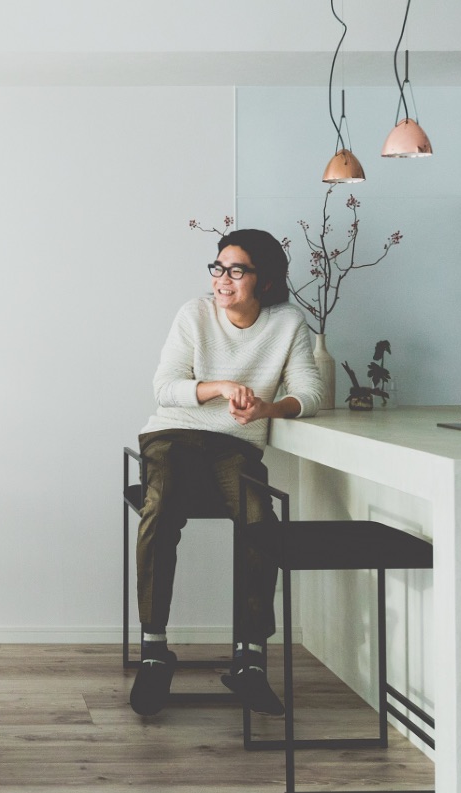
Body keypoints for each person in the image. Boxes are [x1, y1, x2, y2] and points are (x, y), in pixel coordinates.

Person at [132, 230, 325, 717]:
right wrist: (220, 387)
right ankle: (154, 653)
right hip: (173, 435)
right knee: (161, 506)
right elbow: (164, 388)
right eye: (218, 268)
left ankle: (250, 661)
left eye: (236, 270)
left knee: (260, 520)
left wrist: (268, 407)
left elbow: (311, 392)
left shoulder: (287, 324)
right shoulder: (193, 314)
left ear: (264, 280)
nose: (222, 279)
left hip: (234, 445)